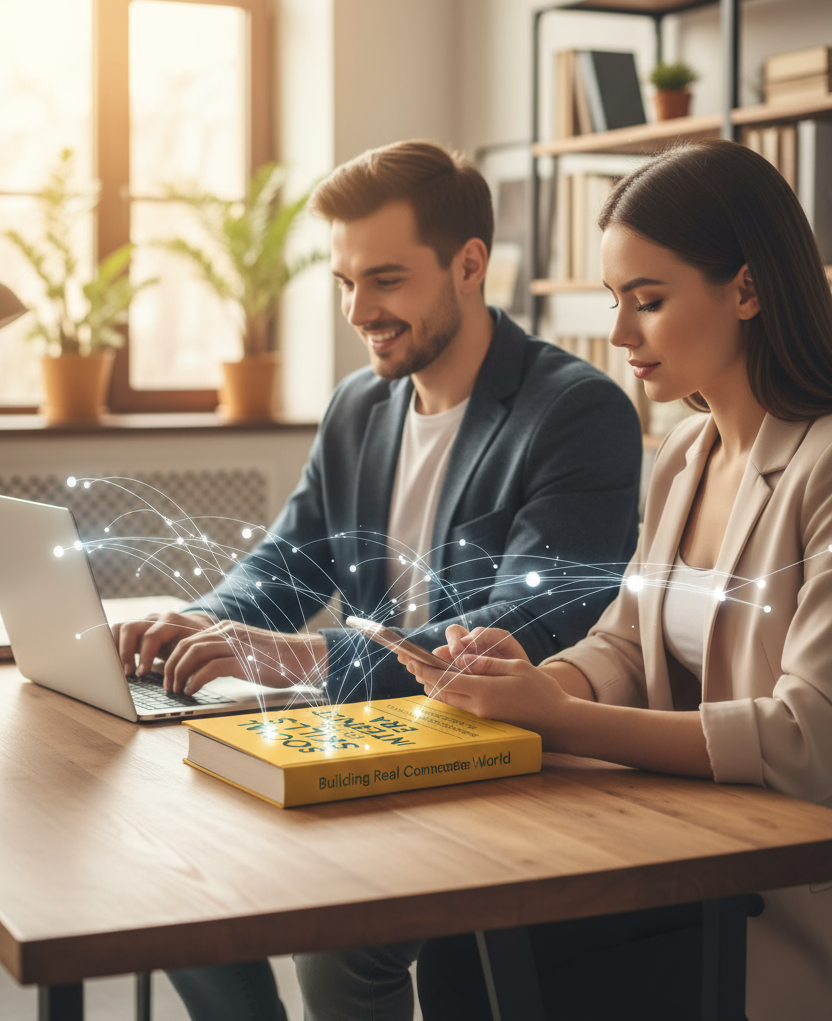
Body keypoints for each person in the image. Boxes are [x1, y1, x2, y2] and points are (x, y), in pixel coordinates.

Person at [112, 140, 643, 1021]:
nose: (360, 309)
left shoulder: (576, 412)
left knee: (340, 948)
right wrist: (194, 623)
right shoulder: (359, 404)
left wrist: (301, 660)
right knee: (163, 868)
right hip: (369, 740)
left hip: (499, 758)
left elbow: (529, 621)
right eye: (346, 283)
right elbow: (284, 566)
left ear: (469, 266)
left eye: (387, 279)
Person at [404, 138, 832, 1021]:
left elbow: (806, 737)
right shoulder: (687, 449)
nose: (619, 334)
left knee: (511, 956)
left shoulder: (824, 469)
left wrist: (561, 717)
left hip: (783, 890)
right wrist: (524, 680)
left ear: (746, 290)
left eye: (649, 300)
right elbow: (629, 640)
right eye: (613, 301)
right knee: (459, 934)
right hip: (685, 846)